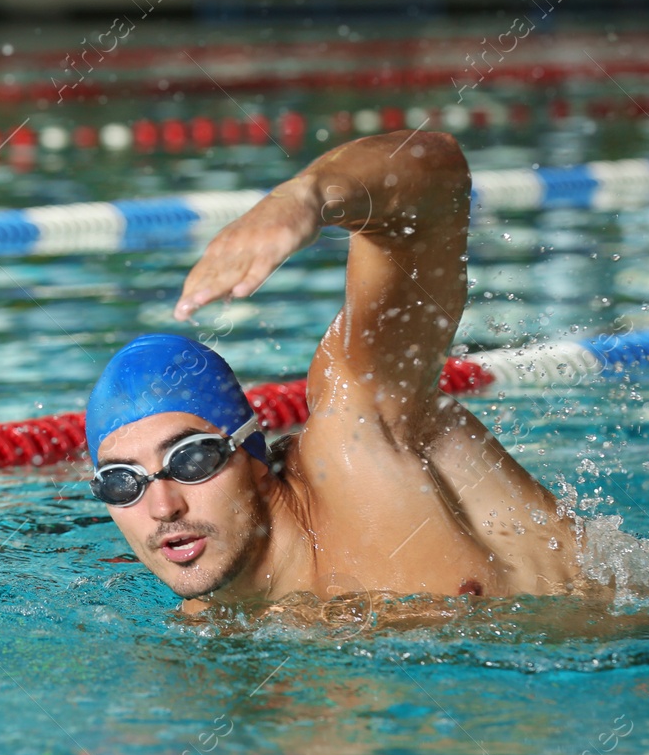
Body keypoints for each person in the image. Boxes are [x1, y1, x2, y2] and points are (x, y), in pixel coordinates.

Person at [83, 129, 585, 606]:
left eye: (193, 459)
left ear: (254, 456)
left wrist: (305, 195)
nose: (163, 507)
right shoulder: (209, 636)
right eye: (122, 482)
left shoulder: (361, 437)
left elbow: (437, 174)